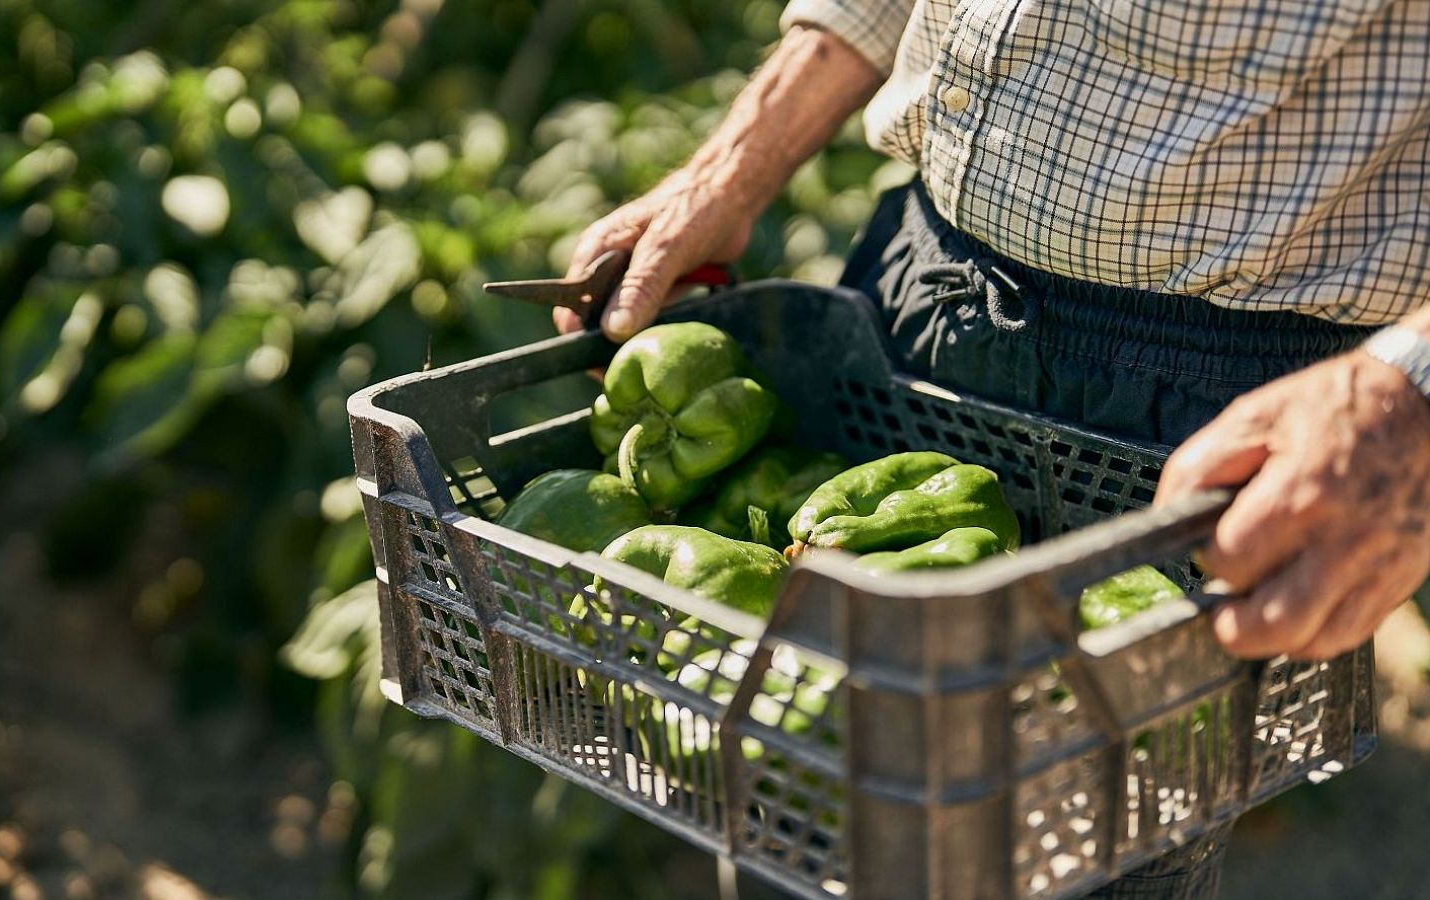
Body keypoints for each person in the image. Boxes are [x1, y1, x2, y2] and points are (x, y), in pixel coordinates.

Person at [555, 5, 1427, 892]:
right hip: (917, 284)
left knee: (1087, 846)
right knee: (805, 830)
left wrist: (1411, 388)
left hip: (1214, 382)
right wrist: (733, 166)